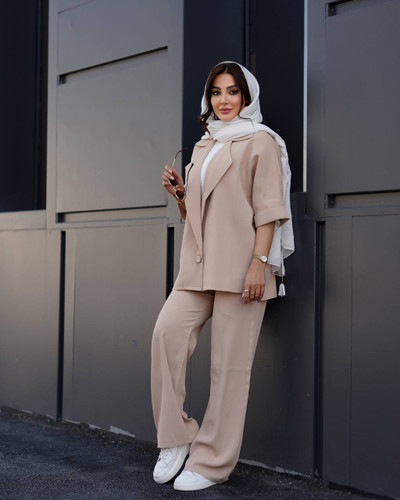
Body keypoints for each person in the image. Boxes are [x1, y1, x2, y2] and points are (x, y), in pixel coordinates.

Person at [151, 61, 294, 492]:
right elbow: (197, 215)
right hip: (198, 266)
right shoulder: (204, 144)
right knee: (165, 335)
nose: (224, 100)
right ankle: (177, 437)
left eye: (232, 91)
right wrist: (180, 195)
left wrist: (259, 263)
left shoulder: (261, 141)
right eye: (216, 92)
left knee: (229, 368)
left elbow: (268, 210)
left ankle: (212, 461)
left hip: (242, 268)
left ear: (246, 96)